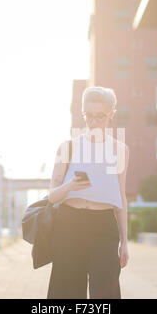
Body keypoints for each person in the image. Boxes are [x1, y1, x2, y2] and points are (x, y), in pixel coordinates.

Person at [47, 86, 129, 299]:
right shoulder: (68, 147)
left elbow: (121, 196)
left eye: (99, 116)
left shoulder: (119, 150)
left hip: (103, 226)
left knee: (105, 293)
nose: (93, 122)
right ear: (82, 114)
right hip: (69, 224)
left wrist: (125, 242)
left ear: (111, 115)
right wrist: (70, 186)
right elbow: (52, 196)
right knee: (67, 293)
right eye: (88, 116)